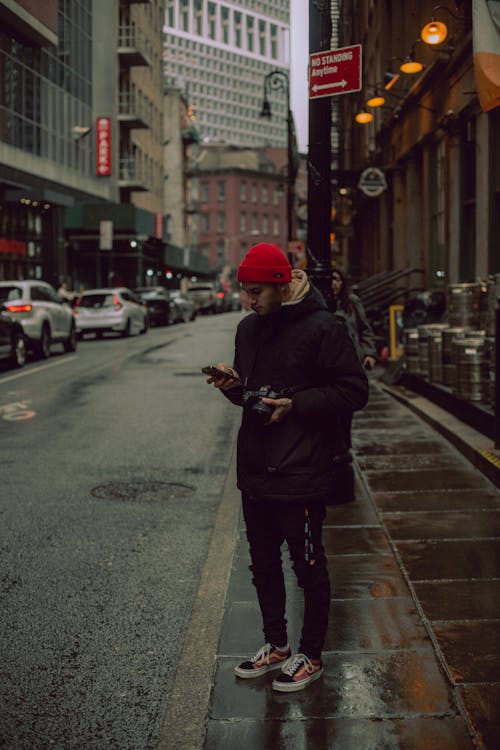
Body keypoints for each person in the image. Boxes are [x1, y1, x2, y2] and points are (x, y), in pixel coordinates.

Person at [205, 243, 368, 692]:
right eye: (244, 291)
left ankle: (311, 655)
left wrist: (295, 405)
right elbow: (252, 395)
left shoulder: (325, 327)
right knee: (262, 563)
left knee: (308, 566)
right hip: (256, 467)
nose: (248, 300)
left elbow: (354, 391)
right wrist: (233, 387)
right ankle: (276, 645)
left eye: (256, 291)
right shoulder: (248, 329)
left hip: (303, 470)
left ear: (281, 285)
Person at [330, 268, 377, 370]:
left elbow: (365, 329)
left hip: (353, 359)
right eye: (331, 279)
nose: (334, 283)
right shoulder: (321, 303)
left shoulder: (352, 301)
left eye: (337, 279)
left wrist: (369, 354)